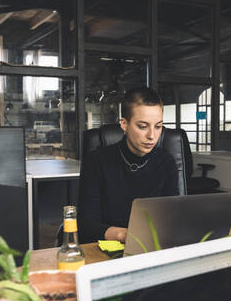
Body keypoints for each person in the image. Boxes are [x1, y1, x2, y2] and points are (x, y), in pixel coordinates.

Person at [77, 87, 179, 244]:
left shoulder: (166, 162)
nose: (152, 136)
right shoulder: (96, 162)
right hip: (109, 251)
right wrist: (125, 235)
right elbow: (86, 227)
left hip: (155, 247)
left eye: (158, 126)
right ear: (124, 124)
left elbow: (171, 217)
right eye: (143, 126)